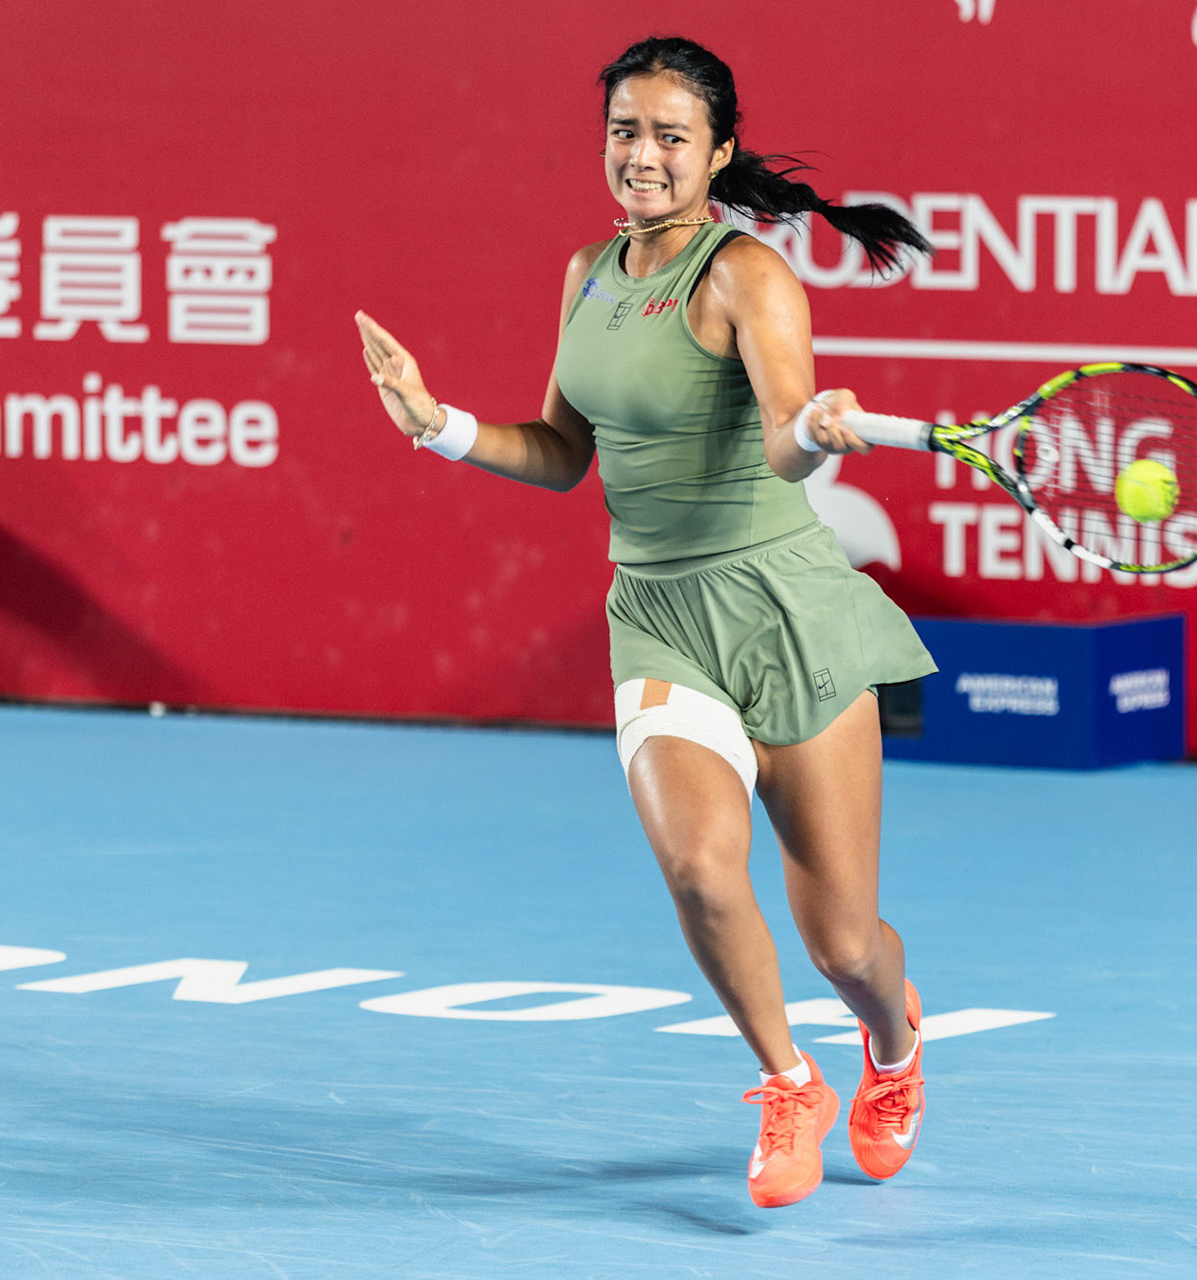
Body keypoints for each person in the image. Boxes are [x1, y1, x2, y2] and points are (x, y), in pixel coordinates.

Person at [355, 35, 937, 1209]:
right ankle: (787, 1082)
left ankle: (893, 1045)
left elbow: (780, 436)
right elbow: (568, 452)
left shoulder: (750, 277)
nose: (644, 155)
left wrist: (816, 429)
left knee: (845, 943)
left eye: (672, 135)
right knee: (699, 869)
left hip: (790, 614)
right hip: (659, 616)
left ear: (718, 152)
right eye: (627, 130)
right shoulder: (588, 272)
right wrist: (439, 424)